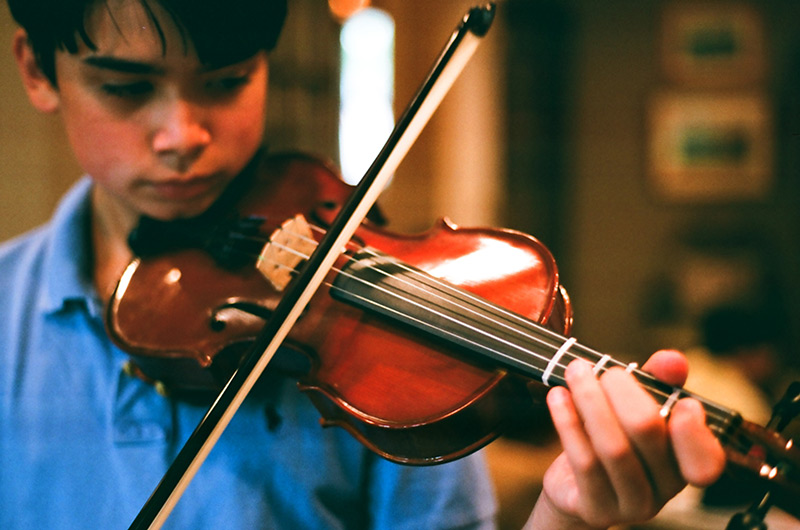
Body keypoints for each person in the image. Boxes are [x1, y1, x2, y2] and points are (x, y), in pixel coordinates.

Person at [0, 0, 725, 528]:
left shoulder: (384, 366)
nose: (181, 136)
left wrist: (564, 514)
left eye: (226, 81)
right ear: (38, 70)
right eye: (126, 89)